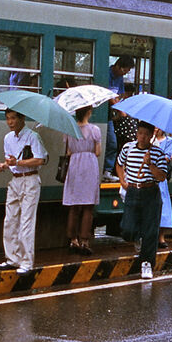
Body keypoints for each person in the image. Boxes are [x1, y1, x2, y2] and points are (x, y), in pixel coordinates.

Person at [0, 109, 47, 274]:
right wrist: (5, 165)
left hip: (30, 180)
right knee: (9, 220)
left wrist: (18, 162)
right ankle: (13, 258)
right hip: (15, 180)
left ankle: (26, 262)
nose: (10, 122)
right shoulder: (8, 138)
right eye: (8, 119)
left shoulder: (33, 136)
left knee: (26, 222)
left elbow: (41, 159)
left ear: (22, 118)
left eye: (13, 118)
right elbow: (10, 160)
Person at [116, 121, 170, 280]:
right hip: (132, 190)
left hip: (150, 192)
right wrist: (122, 181)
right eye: (140, 133)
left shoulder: (158, 153)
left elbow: (161, 176)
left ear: (152, 135)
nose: (143, 137)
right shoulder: (128, 148)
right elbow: (119, 165)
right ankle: (138, 237)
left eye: (147, 134)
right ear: (136, 133)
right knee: (127, 229)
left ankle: (146, 264)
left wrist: (150, 164)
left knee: (151, 231)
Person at [62, 106, 102, 255]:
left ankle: (73, 240)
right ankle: (84, 241)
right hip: (89, 165)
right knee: (88, 206)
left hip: (74, 166)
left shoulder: (69, 130)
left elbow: (68, 151)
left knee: (74, 205)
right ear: (89, 113)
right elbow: (97, 152)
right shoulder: (95, 130)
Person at [152, 126, 172, 250]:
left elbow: (167, 157)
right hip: (149, 176)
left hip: (160, 176)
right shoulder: (149, 139)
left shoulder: (169, 141)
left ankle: (161, 237)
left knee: (163, 206)